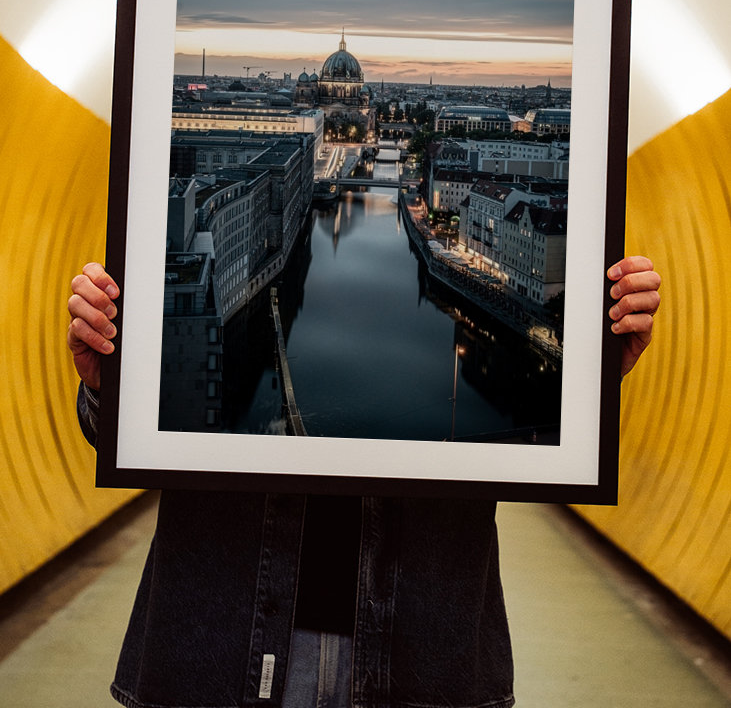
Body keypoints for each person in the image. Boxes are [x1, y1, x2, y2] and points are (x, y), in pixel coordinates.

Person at [68, 256, 661, 708]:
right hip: (226, 645)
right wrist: (109, 386)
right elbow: (120, 437)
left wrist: (584, 379)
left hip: (413, 654)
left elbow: (550, 443)